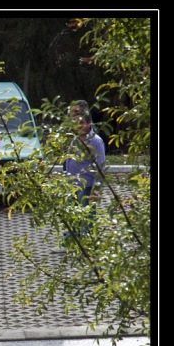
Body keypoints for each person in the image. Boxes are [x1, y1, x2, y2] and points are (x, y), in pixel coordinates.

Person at [62, 101, 105, 242]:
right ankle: (70, 243)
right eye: (76, 124)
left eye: (82, 123)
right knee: (72, 216)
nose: (79, 126)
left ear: (89, 124)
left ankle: (88, 244)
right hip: (72, 186)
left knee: (87, 216)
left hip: (87, 187)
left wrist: (96, 190)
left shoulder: (96, 141)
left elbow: (100, 166)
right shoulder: (74, 140)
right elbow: (69, 162)